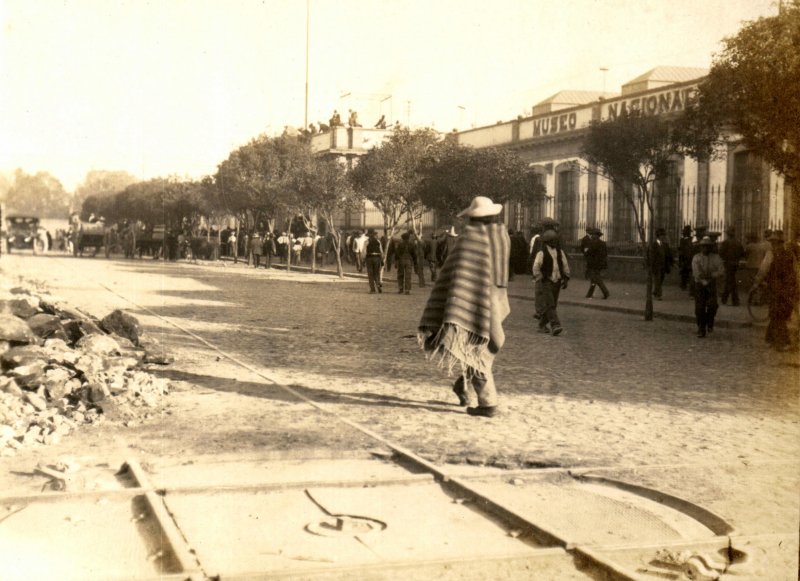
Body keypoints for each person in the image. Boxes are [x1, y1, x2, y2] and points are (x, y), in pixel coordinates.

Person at [419, 195, 510, 418]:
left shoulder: (483, 238)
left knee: (483, 346)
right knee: (481, 347)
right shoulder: (488, 238)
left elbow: (457, 273)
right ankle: (476, 395)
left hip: (483, 297)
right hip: (485, 299)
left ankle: (476, 394)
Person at [752, 230, 799, 351]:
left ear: (778, 242)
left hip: (779, 289)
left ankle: (779, 341)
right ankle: (774, 340)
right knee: (777, 314)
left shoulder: (774, 254)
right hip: (783, 289)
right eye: (773, 242)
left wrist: (757, 283)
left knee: (778, 314)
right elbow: (795, 271)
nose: (774, 244)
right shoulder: (787, 254)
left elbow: (763, 270)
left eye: (775, 242)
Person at [532, 229, 570, 335]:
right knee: (550, 304)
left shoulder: (559, 252)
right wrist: (540, 277)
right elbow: (536, 267)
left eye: (555, 240)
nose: (554, 242)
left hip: (557, 281)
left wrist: (566, 278)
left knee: (552, 304)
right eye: (552, 241)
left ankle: (541, 325)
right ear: (547, 242)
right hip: (546, 281)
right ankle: (555, 325)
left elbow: (565, 265)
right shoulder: (541, 253)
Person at [692, 236, 723, 338]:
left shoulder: (716, 257)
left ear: (711, 247)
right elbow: (696, 273)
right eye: (703, 246)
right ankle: (701, 328)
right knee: (700, 308)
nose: (705, 249)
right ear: (700, 247)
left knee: (713, 306)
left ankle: (710, 323)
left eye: (707, 246)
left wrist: (711, 275)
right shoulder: (696, 258)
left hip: (711, 284)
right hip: (699, 285)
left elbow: (721, 270)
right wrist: (703, 281)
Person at [719, 226, 745, 306]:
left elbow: (721, 253)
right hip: (735, 264)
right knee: (731, 281)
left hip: (728, 264)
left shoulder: (726, 242)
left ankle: (731, 299)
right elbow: (742, 253)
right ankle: (727, 299)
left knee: (730, 281)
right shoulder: (738, 242)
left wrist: (725, 258)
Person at [584, 228, 610, 299]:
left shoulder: (593, 243)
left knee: (597, 279)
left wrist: (586, 251)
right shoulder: (603, 243)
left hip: (594, 264)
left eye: (593, 234)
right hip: (600, 264)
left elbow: (588, 253)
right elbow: (605, 254)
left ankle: (606, 292)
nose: (592, 236)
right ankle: (589, 294)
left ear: (596, 235)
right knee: (593, 279)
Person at [650, 228, 673, 300]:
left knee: (661, 280)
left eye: (663, 235)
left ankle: (655, 292)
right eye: (661, 235)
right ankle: (659, 295)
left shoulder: (665, 245)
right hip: (656, 266)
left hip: (663, 266)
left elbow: (669, 255)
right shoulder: (654, 245)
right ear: (658, 236)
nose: (663, 237)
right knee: (658, 279)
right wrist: (651, 265)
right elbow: (651, 256)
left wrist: (672, 262)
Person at [364, 229, 383, 293]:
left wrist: (363, 259)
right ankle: (378, 285)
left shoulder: (366, 241)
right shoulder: (378, 241)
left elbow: (364, 251)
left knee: (370, 274)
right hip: (377, 258)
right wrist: (382, 259)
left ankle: (372, 289)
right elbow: (381, 251)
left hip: (369, 258)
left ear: (369, 235)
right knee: (377, 273)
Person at [678, 225, 694, 290]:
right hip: (685, 258)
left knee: (688, 272)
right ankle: (683, 284)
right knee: (684, 272)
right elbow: (681, 250)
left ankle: (685, 284)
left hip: (689, 257)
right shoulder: (683, 240)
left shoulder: (691, 239)